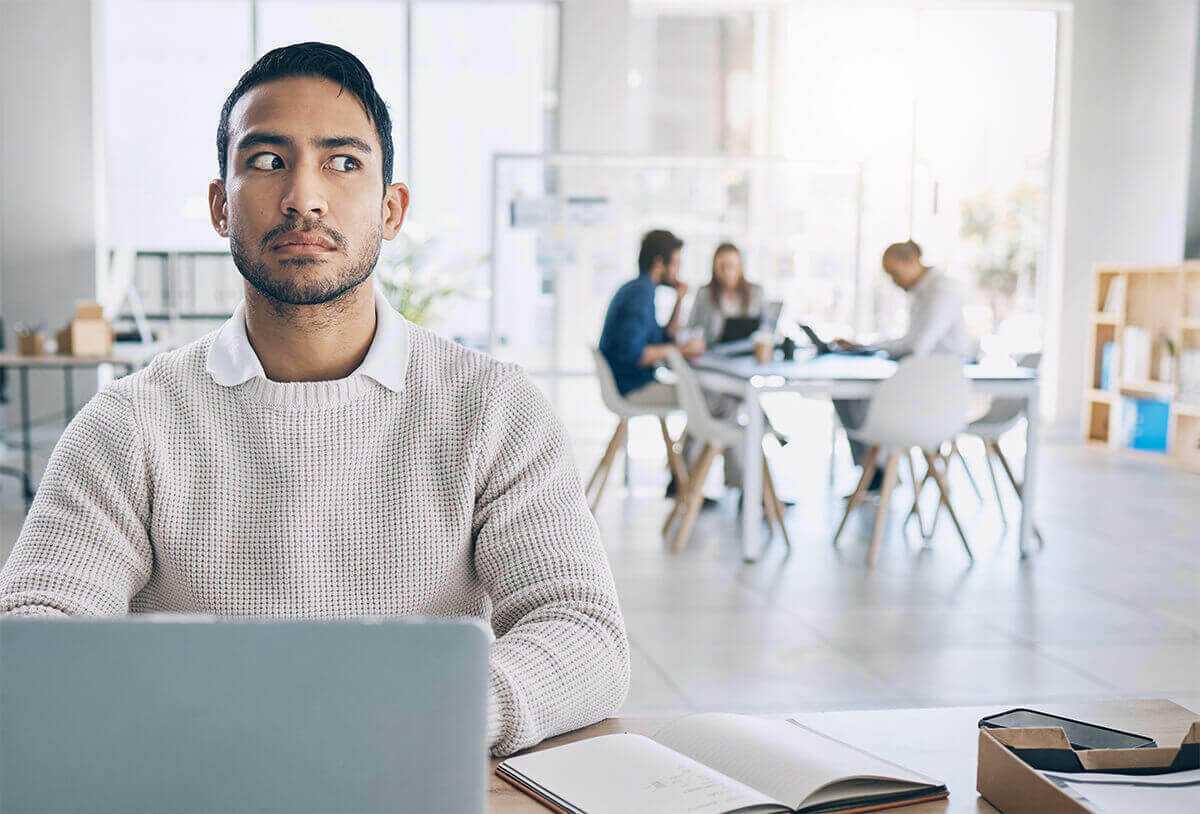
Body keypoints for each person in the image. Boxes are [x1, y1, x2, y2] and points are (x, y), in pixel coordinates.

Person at [0, 42, 628, 759]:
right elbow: (34, 634)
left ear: (391, 210)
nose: (304, 196)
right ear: (218, 205)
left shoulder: (493, 410)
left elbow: (582, 630)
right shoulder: (129, 424)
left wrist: (431, 717)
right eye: (267, 161)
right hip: (198, 784)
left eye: (343, 161)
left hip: (412, 773)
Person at [834, 240, 975, 489]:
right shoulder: (922, 292)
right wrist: (867, 346)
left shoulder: (942, 290)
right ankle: (875, 469)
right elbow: (910, 342)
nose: (894, 282)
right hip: (923, 377)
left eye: (895, 273)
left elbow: (918, 346)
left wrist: (876, 348)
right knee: (845, 392)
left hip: (941, 388)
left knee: (862, 396)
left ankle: (877, 469)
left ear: (913, 261)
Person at [598, 229, 704, 405]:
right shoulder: (640, 293)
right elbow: (636, 355)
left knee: (697, 395)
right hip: (632, 388)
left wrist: (679, 300)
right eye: (676, 264)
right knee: (704, 398)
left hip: (632, 383)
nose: (678, 272)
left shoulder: (641, 288)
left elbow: (664, 339)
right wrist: (684, 349)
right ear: (659, 263)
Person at [686, 242, 765, 347]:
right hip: (713, 352)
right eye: (721, 266)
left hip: (747, 352)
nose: (727, 271)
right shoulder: (704, 293)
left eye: (731, 266)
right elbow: (691, 328)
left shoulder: (756, 292)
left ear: (740, 267)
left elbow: (765, 328)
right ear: (714, 268)